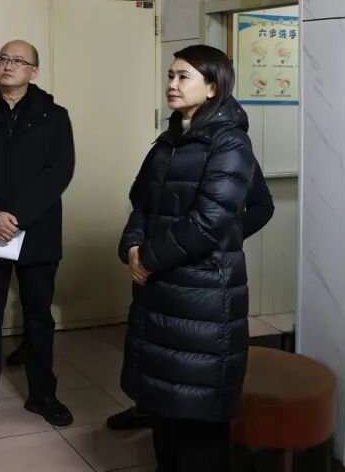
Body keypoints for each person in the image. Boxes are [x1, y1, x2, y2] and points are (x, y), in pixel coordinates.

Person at [118, 45, 272, 472]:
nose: (172, 83)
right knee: (164, 406)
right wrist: (133, 247)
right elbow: (142, 203)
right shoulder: (170, 140)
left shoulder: (230, 142)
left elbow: (211, 221)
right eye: (170, 75)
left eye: (183, 76)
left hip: (202, 296)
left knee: (197, 415)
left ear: (212, 87)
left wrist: (155, 257)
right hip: (161, 289)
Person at [0, 40, 75, 430]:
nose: (8, 65)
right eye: (4, 58)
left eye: (18, 61)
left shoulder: (54, 116)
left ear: (33, 72)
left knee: (39, 317)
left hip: (37, 231)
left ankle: (42, 395)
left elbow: (59, 172)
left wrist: (18, 216)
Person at [106, 158, 274, 432]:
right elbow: (142, 202)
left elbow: (262, 207)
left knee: (192, 365)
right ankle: (147, 409)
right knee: (156, 356)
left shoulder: (231, 151)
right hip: (158, 274)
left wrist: (226, 236)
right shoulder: (166, 147)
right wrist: (133, 244)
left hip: (195, 278)